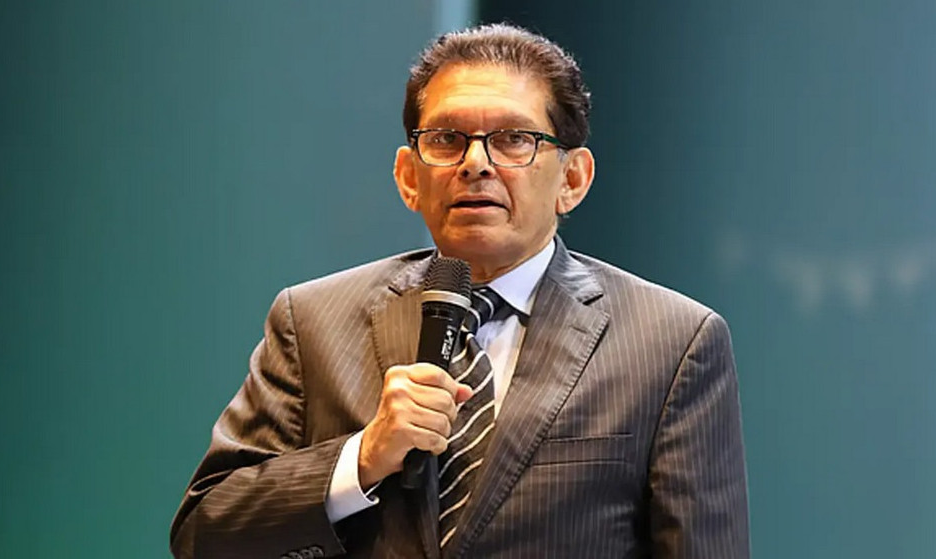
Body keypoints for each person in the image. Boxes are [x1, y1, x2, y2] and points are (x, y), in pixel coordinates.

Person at [171, 23, 749, 559]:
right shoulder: (312, 321)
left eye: (514, 139)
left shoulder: (673, 343)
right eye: (447, 139)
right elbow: (204, 531)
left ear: (572, 179)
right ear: (408, 177)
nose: (475, 163)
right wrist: (362, 458)